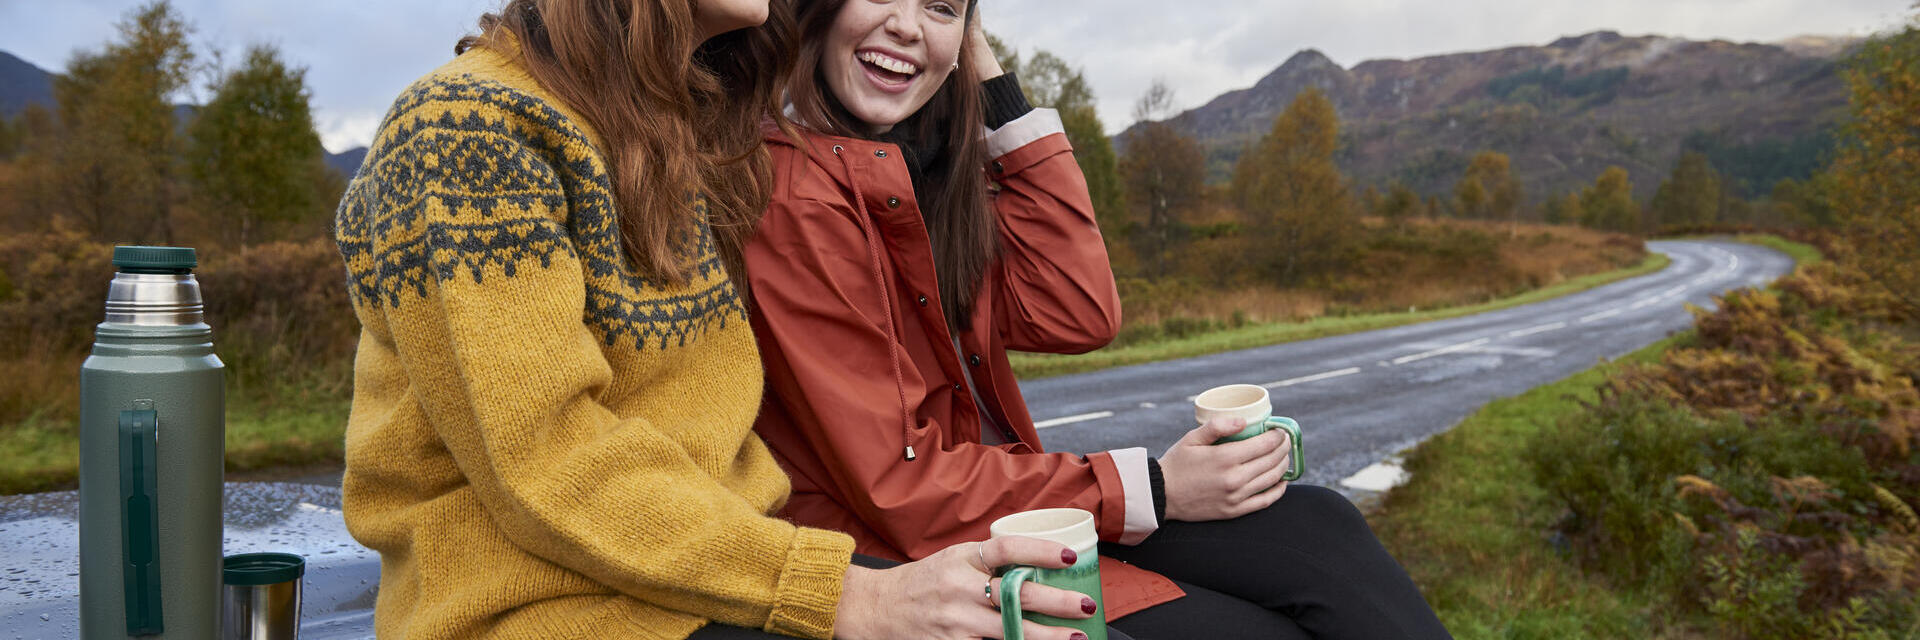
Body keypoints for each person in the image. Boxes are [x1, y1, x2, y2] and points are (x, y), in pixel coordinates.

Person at [332, 1, 1112, 638]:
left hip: (717, 577)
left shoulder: (680, 135)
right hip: (552, 610)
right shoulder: (466, 127)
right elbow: (551, 462)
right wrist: (853, 597)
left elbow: (1076, 307)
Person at [744, 1, 1453, 638]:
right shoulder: (794, 191)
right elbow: (899, 485)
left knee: (1317, 525)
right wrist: (1161, 489)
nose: (907, 22)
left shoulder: (919, 173)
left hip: (994, 509)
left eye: (941, 6)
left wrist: (987, 76)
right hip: (894, 552)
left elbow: (1077, 310)